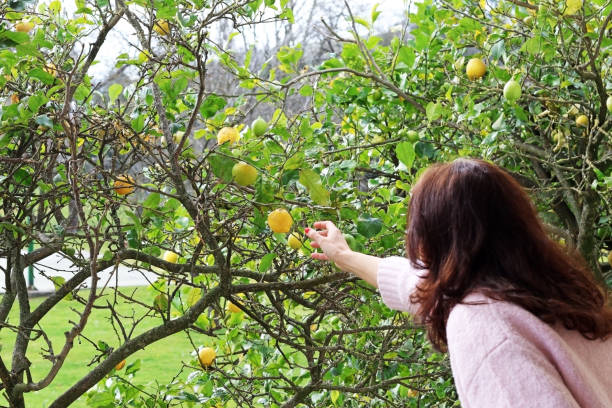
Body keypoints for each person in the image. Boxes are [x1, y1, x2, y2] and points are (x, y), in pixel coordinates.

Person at [304, 158, 612, 408]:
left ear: (433, 242)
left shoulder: (481, 325)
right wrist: (344, 256)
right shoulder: (559, 293)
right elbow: (414, 284)